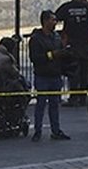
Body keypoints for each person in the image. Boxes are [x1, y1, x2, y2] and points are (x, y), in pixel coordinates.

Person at [29, 10, 71, 142]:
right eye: (52, 20)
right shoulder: (36, 39)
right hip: (42, 75)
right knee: (40, 104)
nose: (55, 22)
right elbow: (35, 58)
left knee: (54, 104)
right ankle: (37, 131)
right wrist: (52, 55)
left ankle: (56, 130)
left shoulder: (56, 37)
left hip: (55, 75)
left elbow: (60, 53)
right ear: (45, 21)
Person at [55, 0, 88, 106]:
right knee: (85, 72)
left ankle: (73, 97)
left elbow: (55, 18)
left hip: (71, 45)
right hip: (86, 44)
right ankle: (83, 98)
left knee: (73, 72)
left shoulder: (66, 7)